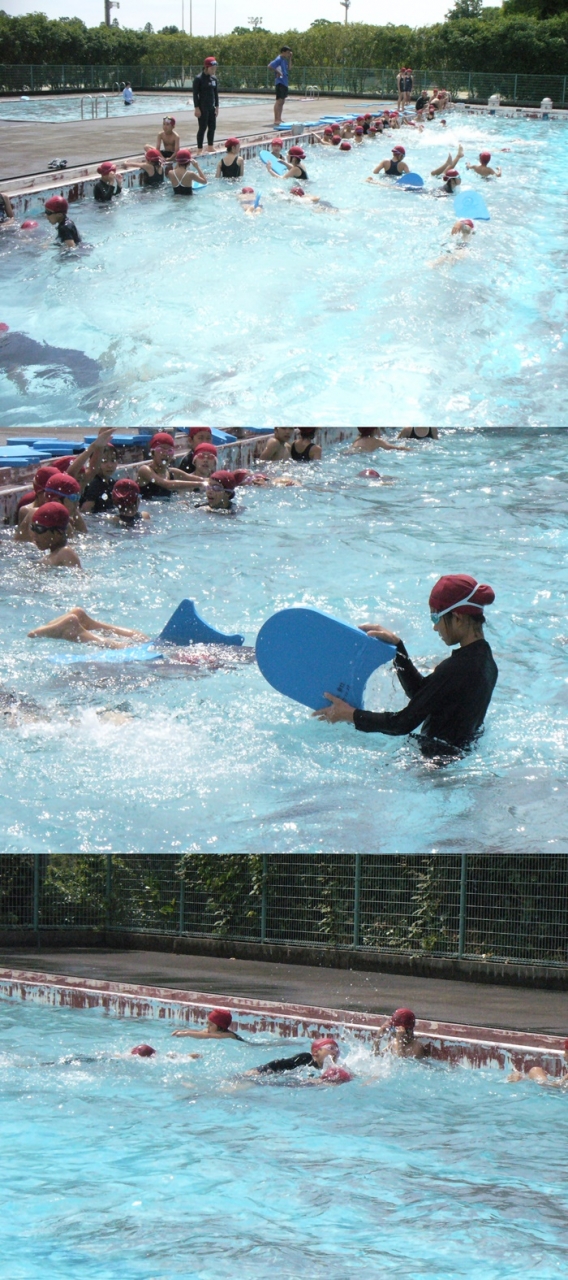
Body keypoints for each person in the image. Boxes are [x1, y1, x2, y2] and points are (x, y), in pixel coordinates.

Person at [313, 574, 499, 758]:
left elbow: (401, 723)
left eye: (435, 618)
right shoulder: (486, 662)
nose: (435, 628)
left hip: (433, 767)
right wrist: (398, 649)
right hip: (453, 760)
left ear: (457, 617)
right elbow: (423, 696)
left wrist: (350, 714)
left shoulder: (457, 668)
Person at [245, 1037, 351, 1084]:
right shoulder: (306, 1058)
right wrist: (259, 1070)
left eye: (337, 1049)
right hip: (270, 1077)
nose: (335, 1052)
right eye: (331, 1048)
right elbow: (281, 1063)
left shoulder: (331, 1069)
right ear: (315, 1052)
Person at [137, 432, 207, 498]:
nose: (165, 454)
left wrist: (210, 481)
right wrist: (202, 484)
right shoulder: (145, 470)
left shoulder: (172, 472)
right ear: (152, 452)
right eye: (161, 450)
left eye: (170, 451)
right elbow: (167, 484)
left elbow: (200, 479)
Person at [30, 503, 82, 569]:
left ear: (58, 533)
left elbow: (78, 574)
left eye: (39, 529)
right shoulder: (50, 556)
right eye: (32, 528)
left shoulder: (65, 553)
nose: (34, 534)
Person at [80, 441, 118, 513]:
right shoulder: (94, 484)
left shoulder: (111, 482)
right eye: (104, 461)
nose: (110, 465)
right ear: (94, 463)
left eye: (113, 460)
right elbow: (85, 511)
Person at [193, 57, 219, 152]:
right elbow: (195, 94)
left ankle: (210, 146)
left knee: (212, 127)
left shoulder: (214, 79)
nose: (213, 70)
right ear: (206, 67)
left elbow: (216, 94)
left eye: (215, 68)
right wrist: (196, 108)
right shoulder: (199, 79)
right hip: (202, 107)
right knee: (202, 128)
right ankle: (199, 148)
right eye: (212, 68)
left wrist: (217, 107)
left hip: (211, 107)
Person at [172, 1009, 245, 1041]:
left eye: (211, 1024)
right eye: (207, 1023)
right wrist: (182, 1031)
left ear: (220, 1026)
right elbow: (199, 1032)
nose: (208, 1026)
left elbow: (207, 1036)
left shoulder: (229, 1035)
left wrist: (187, 1034)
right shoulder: (211, 1030)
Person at [268, 46, 292, 125]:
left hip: (284, 82)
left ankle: (279, 118)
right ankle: (276, 119)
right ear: (283, 52)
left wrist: (290, 58)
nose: (288, 54)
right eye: (287, 52)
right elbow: (270, 66)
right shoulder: (278, 59)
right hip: (280, 82)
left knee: (282, 101)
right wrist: (277, 72)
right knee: (279, 101)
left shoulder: (284, 60)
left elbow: (289, 68)